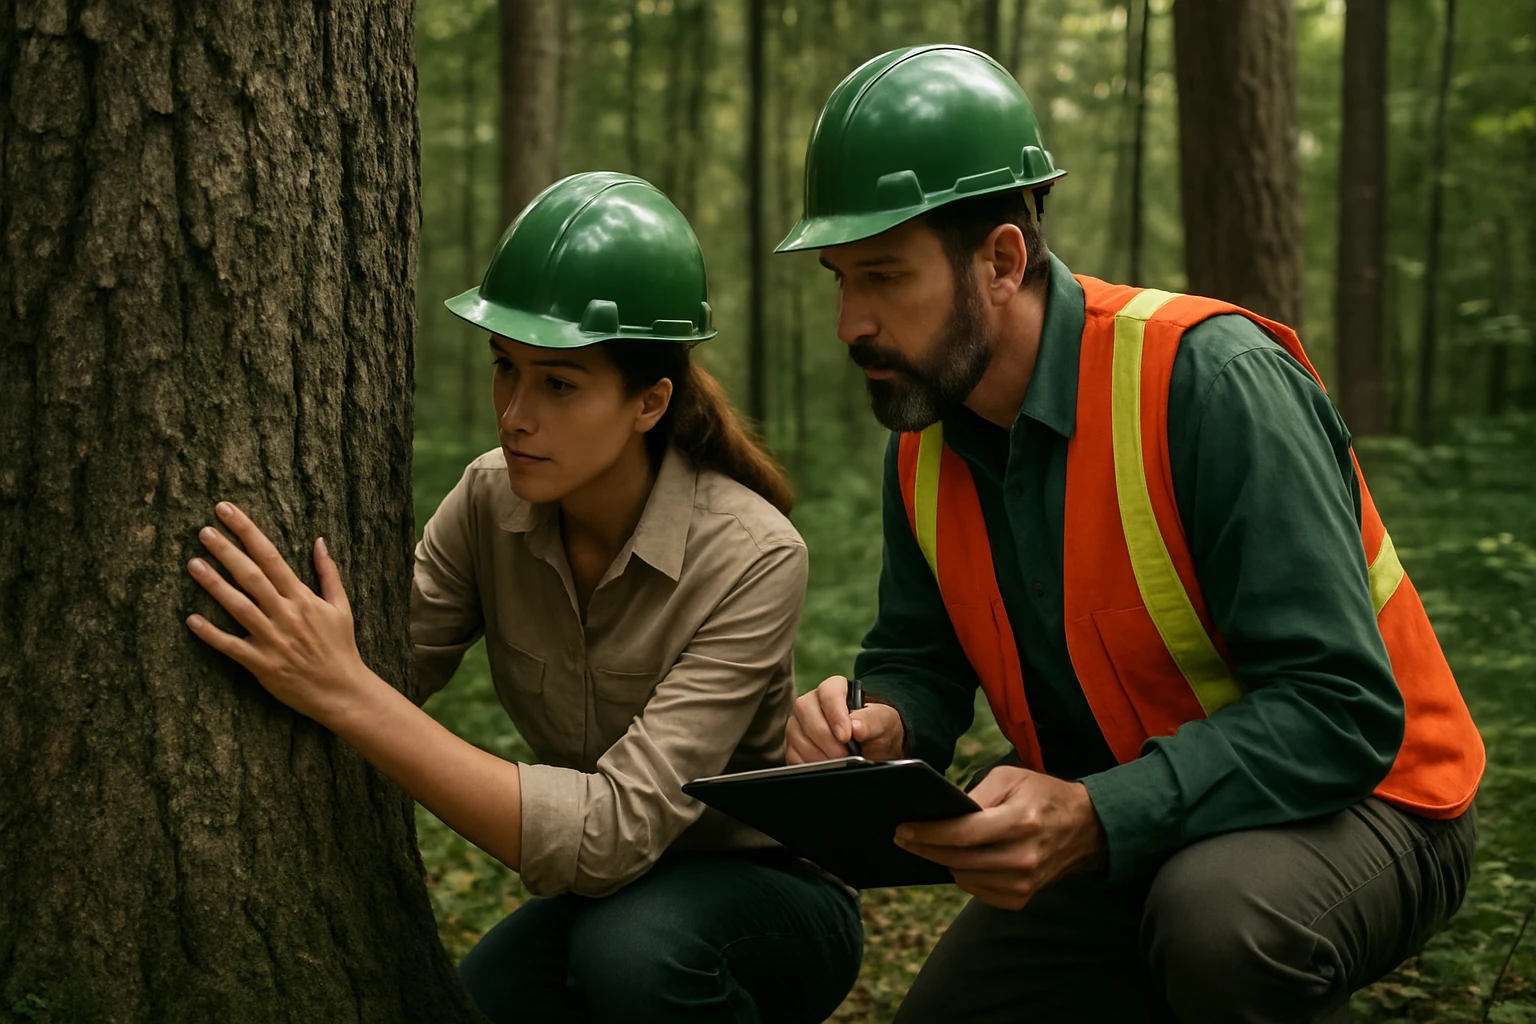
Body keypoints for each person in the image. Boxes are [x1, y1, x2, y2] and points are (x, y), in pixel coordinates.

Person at [779, 46, 1483, 1023]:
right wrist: (882, 721)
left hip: (1376, 798)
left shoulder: (1211, 382)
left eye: (885, 277)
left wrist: (1099, 812)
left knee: (1217, 920)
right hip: (1130, 820)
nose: (851, 322)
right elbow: (919, 658)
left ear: (1001, 261)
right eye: (839, 279)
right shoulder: (923, 439)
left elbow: (1341, 710)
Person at [184, 171, 863, 1023]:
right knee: (487, 1000)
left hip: (769, 893)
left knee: (633, 953)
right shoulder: (488, 502)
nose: (513, 414)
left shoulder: (754, 555)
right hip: (618, 895)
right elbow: (391, 663)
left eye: (560, 384)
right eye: (507, 370)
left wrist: (346, 693)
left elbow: (611, 833)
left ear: (650, 402)